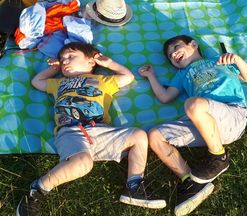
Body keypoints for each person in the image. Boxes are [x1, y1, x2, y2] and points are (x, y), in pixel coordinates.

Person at [17, 42, 166, 216]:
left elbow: (128, 77)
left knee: (139, 135)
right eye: (62, 59)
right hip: (71, 131)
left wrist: (108, 64)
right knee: (83, 163)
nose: (65, 61)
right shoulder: (59, 83)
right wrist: (53, 69)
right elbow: (37, 82)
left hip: (101, 130)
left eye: (71, 57)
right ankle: (37, 191)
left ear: (91, 62)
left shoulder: (102, 80)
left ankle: (134, 186)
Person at [138, 35, 247, 216]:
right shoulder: (181, 75)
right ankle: (190, 183)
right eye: (170, 56)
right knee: (154, 135)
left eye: (176, 47)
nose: (173, 54)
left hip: (232, 115)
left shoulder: (218, 61)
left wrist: (237, 60)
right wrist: (150, 76)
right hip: (203, 124)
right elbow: (165, 97)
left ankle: (219, 157)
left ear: (193, 44)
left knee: (193, 105)